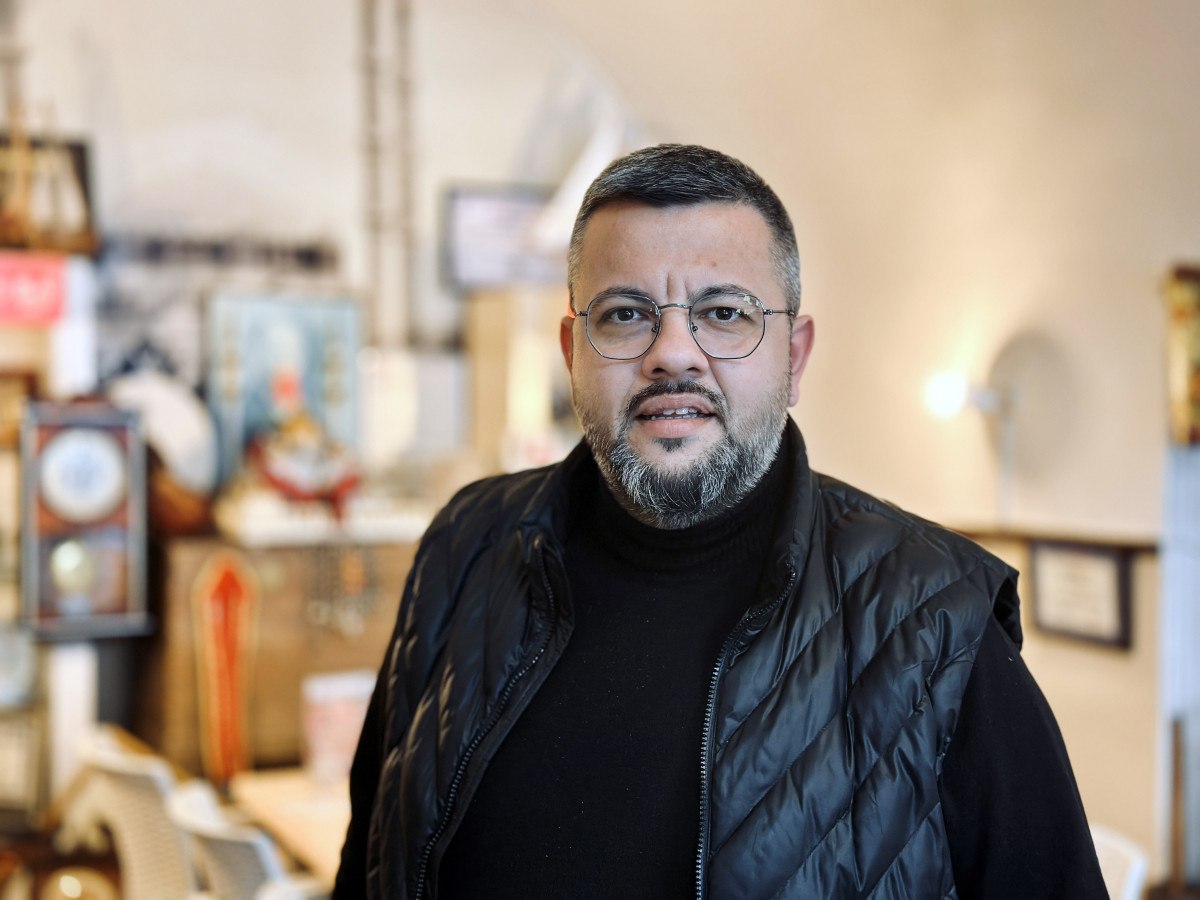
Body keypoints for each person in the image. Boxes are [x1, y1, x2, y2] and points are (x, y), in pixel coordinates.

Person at [334, 144, 1106, 899]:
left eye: (725, 313)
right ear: (573, 352)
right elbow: (370, 861)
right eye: (626, 314)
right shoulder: (465, 548)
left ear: (794, 356)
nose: (674, 353)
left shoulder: (936, 620)